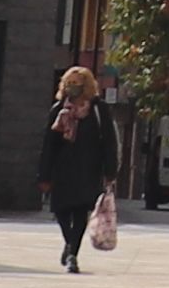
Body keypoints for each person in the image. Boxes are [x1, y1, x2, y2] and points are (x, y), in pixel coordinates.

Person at [38, 62, 122, 272]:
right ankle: (69, 243)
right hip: (63, 170)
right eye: (70, 82)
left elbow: (109, 141)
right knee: (60, 210)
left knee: (80, 212)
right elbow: (49, 144)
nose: (73, 86)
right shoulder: (58, 110)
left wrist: (110, 170)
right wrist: (44, 174)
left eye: (78, 83)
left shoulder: (98, 110)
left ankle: (72, 255)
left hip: (89, 169)